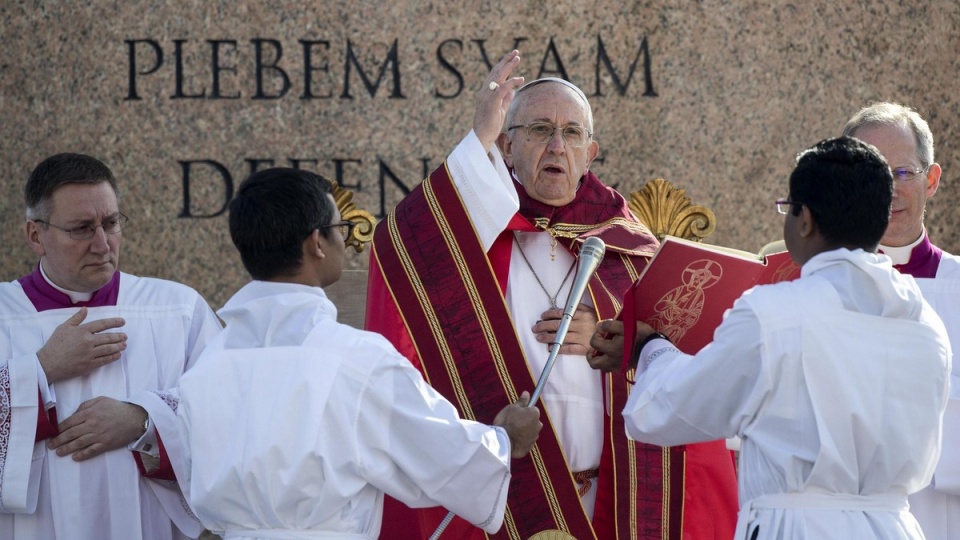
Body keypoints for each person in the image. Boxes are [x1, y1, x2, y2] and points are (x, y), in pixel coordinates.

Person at [366, 50, 738, 539]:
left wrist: (617, 339)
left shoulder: (629, 249)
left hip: (614, 504)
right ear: (506, 146)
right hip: (511, 504)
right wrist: (476, 135)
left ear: (591, 152)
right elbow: (408, 241)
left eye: (572, 134)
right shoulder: (479, 237)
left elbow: (685, 363)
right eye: (540, 130)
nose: (557, 146)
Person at [588, 137, 952, 539]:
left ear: (805, 219)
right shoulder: (925, 323)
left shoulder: (774, 314)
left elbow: (674, 408)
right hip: (894, 526)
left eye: (788, 207)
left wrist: (647, 348)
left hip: (798, 527)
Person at [153, 167, 542, 539]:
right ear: (316, 243)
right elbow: (442, 452)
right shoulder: (355, 359)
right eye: (340, 229)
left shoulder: (207, 365)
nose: (346, 242)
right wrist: (505, 438)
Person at [0, 153, 222, 539]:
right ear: (35, 235)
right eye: (82, 228)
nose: (103, 244)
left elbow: (228, 409)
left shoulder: (178, 309)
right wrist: (42, 369)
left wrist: (143, 420)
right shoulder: (5, 313)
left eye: (111, 223)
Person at [842, 102, 960, 540]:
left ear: (931, 181)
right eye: (871, 173)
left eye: (903, 173)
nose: (888, 190)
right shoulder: (810, 290)